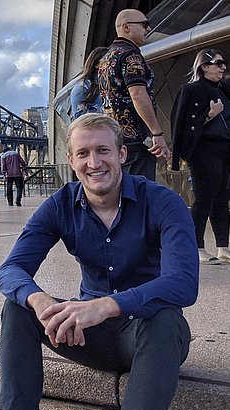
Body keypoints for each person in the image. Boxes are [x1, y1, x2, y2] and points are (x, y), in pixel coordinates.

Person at [0, 113, 198, 410]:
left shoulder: (163, 202)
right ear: (71, 159)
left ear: (121, 154)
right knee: (17, 308)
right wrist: (41, 301)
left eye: (103, 151)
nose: (94, 163)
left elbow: (183, 282)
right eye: (83, 154)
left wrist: (106, 305)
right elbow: (10, 270)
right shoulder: (60, 205)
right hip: (88, 335)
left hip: (148, 333)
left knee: (166, 320)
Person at [171, 49, 230, 265]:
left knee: (222, 199)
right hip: (203, 150)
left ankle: (223, 246)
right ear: (204, 66)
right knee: (204, 199)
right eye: (218, 63)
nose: (222, 67)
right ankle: (197, 247)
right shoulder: (191, 90)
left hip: (224, 150)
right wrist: (208, 115)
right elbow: (179, 125)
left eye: (224, 64)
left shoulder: (223, 89)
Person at [98, 9, 171, 181]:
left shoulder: (107, 57)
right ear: (126, 27)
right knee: (139, 191)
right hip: (137, 141)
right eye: (144, 24)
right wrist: (157, 134)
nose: (148, 29)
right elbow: (138, 94)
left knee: (122, 191)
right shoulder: (131, 56)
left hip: (115, 138)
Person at [70, 46, 108, 120]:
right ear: (97, 64)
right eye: (107, 61)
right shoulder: (82, 87)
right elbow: (80, 119)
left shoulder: (109, 84)